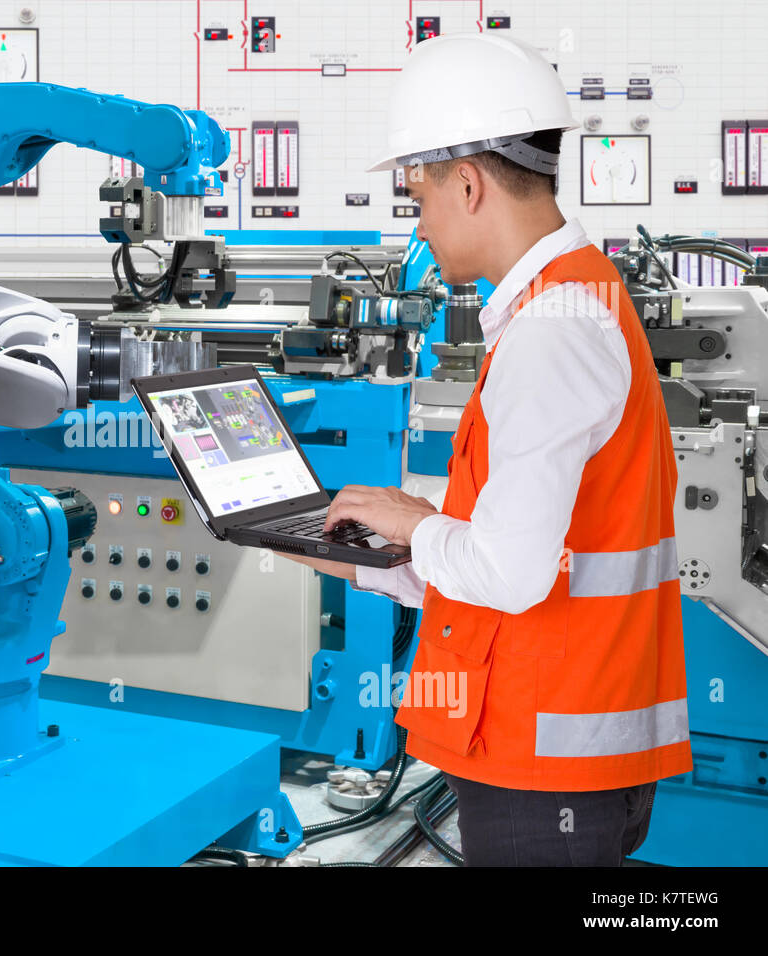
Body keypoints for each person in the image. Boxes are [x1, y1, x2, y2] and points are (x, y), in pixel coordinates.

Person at [285, 33, 690, 866]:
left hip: (550, 765)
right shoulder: (574, 296)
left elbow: (510, 572)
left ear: (466, 184)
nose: (422, 226)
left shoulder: (550, 331)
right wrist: (356, 556)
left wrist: (417, 524)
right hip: (555, 745)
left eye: (419, 197)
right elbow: (506, 550)